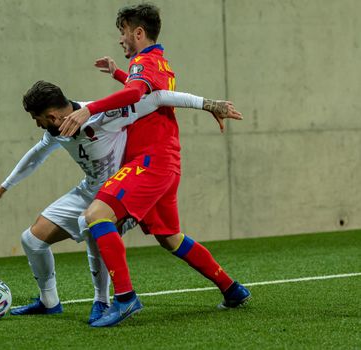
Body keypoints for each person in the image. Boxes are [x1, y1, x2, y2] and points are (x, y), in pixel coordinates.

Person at [0, 80, 241, 324]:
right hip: (89, 190)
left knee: (94, 223)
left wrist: (209, 104)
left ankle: (102, 302)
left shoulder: (105, 113)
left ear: (52, 116)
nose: (38, 125)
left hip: (123, 190)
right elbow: (37, 155)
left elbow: (158, 97)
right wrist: (4, 187)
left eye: (38, 119)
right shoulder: (57, 131)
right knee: (32, 240)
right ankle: (49, 301)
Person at [59, 3, 251, 327]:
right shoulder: (157, 63)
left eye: (123, 32)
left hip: (152, 161)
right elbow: (152, 96)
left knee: (96, 215)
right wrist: (118, 72)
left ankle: (125, 299)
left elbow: (136, 93)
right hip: (164, 161)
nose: (120, 39)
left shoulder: (144, 62)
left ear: (138, 32)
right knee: (171, 237)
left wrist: (87, 109)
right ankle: (232, 289)